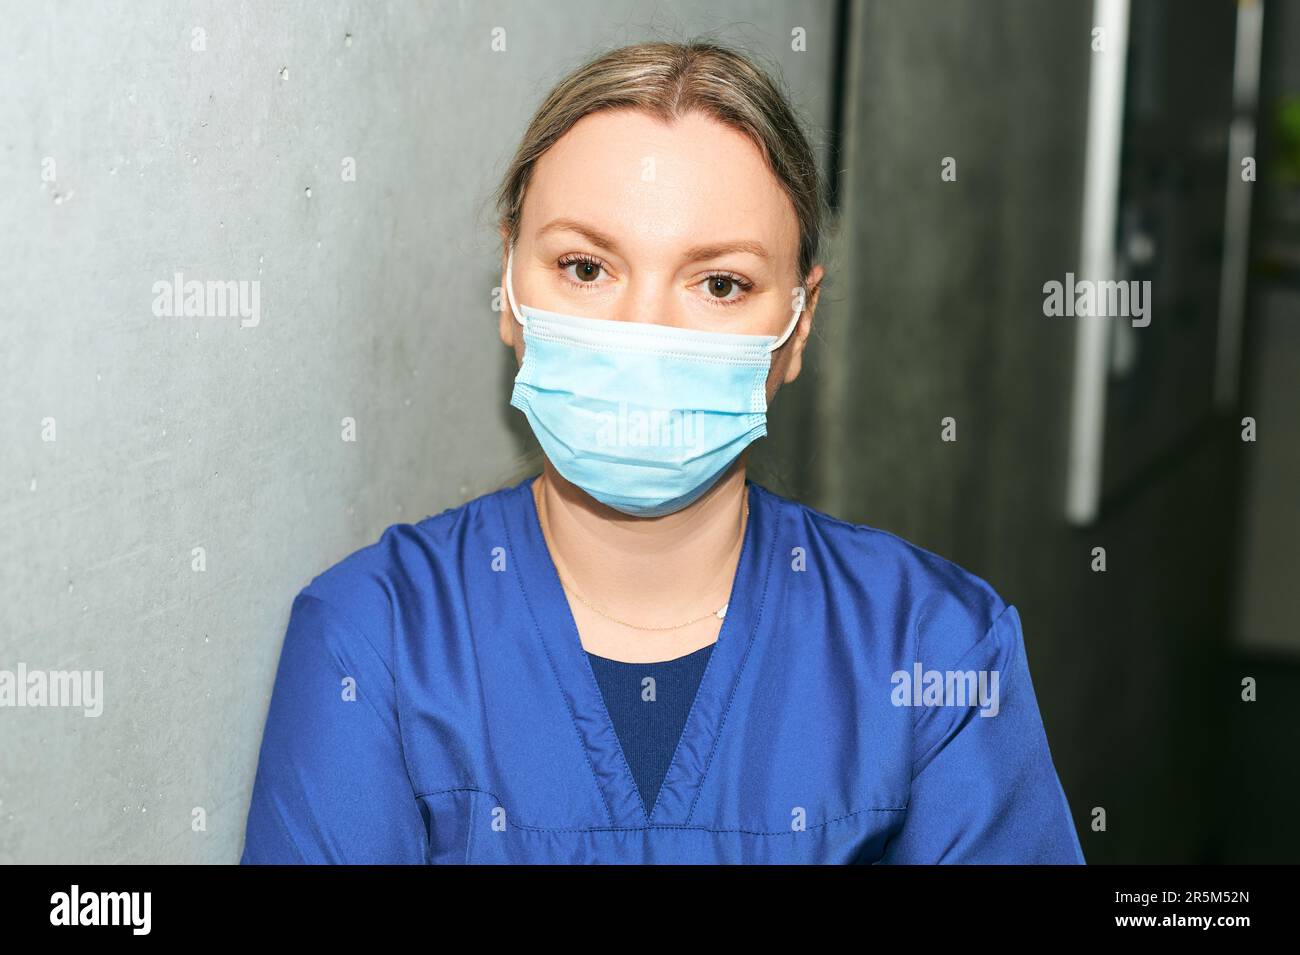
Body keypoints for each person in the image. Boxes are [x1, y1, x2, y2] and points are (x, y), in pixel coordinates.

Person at [240, 40, 1085, 864]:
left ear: (799, 324)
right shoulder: (373, 642)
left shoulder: (933, 650)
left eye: (720, 284)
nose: (645, 333)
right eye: (584, 267)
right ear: (507, 287)